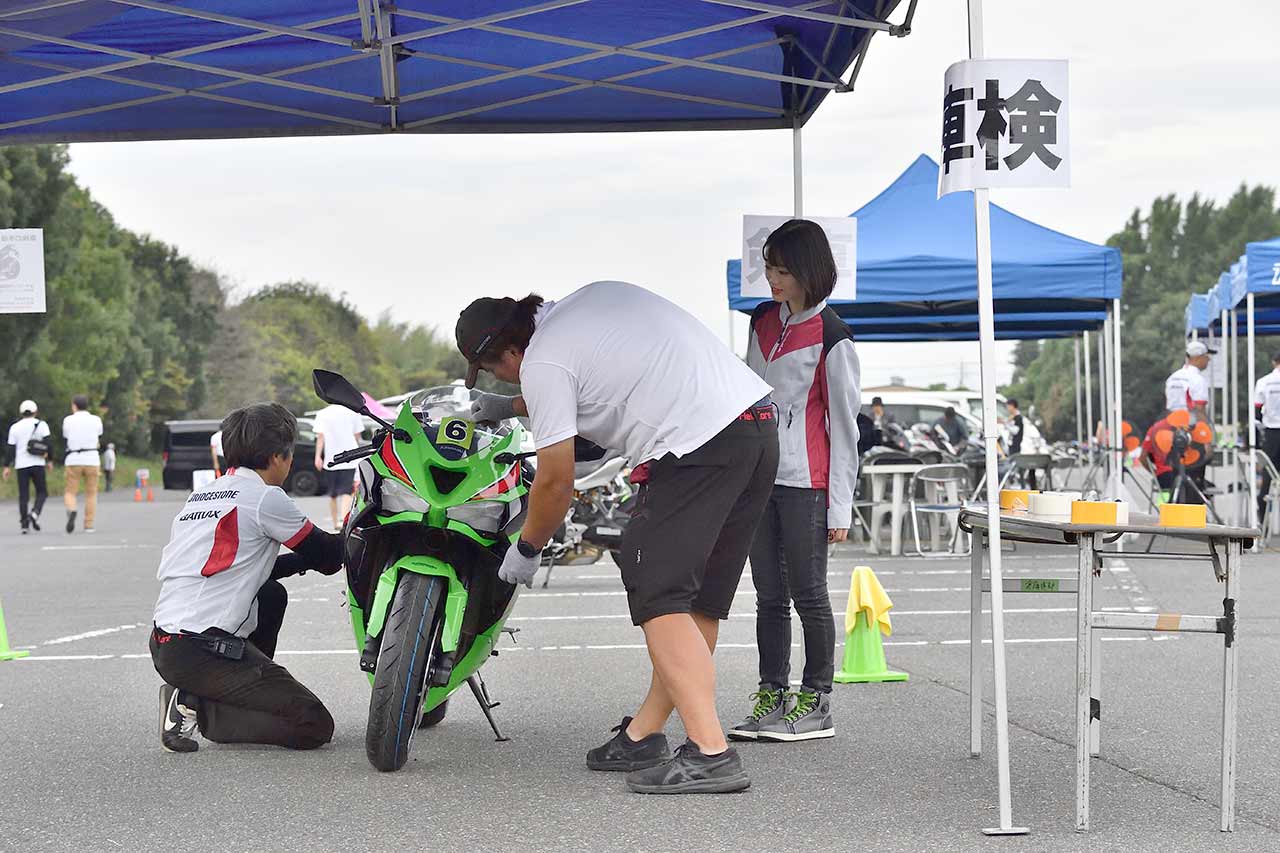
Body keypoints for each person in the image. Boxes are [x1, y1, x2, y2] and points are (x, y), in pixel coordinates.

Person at [457, 281, 777, 794]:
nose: (498, 378)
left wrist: (527, 549)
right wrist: (511, 406)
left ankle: (710, 753)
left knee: (657, 589)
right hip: (755, 428)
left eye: (494, 369)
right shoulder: (586, 304)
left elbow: (556, 479)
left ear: (513, 350)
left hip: (697, 445)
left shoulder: (543, 361)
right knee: (698, 600)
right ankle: (643, 735)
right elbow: (595, 382)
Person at [728, 219, 859, 744]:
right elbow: (744, 400)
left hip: (808, 484)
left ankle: (817, 699)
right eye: (768, 267)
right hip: (759, 478)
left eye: (782, 269)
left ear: (809, 270)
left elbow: (845, 428)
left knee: (809, 593)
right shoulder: (761, 322)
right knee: (768, 595)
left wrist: (840, 506)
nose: (772, 278)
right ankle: (771, 693)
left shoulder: (834, 338)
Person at [150, 402, 345, 754]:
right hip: (202, 651)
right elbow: (330, 557)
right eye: (288, 455)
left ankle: (195, 691)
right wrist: (360, 527)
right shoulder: (265, 498)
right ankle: (197, 707)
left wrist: (304, 561)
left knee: (270, 594)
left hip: (166, 641)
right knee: (313, 724)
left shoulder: (205, 494)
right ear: (276, 457)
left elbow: (248, 569)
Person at [313, 403, 365, 531]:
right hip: (349, 458)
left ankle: (336, 522)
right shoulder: (353, 412)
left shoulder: (322, 413)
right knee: (347, 491)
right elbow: (357, 436)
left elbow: (320, 437)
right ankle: (343, 520)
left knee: (333, 494)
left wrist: (318, 456)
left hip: (331, 459)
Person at [3, 399, 52, 533]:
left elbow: (10, 449)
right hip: (38, 463)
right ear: (35, 411)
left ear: (21, 412)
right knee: (42, 492)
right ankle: (35, 513)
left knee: (23, 495)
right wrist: (50, 461)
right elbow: (49, 444)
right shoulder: (42, 425)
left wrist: (6, 466)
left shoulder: (15, 427)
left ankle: (24, 525)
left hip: (21, 465)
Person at [62, 395, 103, 534]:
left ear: (74, 406)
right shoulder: (96, 420)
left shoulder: (68, 420)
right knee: (91, 493)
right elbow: (99, 435)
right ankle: (88, 524)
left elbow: (66, 436)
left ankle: (72, 509)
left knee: (70, 492)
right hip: (92, 459)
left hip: (73, 459)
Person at [1252, 352, 1280, 522]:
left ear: (1273, 362)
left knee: (1268, 475)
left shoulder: (1263, 382)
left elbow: (1257, 411)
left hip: (1271, 433)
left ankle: (1262, 517)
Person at [1165, 340, 1213, 417]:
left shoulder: (1172, 377)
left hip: (1172, 422)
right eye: (1207, 356)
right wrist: (1205, 428)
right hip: (1191, 425)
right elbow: (1200, 410)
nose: (1209, 359)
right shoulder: (1198, 380)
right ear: (1198, 358)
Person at [1005, 398, 1036, 490]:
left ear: (1012, 406)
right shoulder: (1013, 417)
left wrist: (1006, 424)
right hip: (1013, 446)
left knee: (1018, 468)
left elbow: (1016, 431)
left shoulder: (1019, 418)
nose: (1007, 408)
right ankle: (1021, 486)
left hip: (1018, 447)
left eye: (1008, 406)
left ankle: (1021, 487)